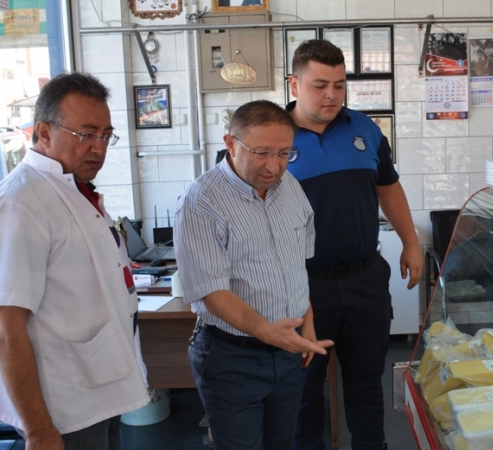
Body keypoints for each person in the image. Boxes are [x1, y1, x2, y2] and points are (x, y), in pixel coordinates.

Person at [0, 72, 149, 449]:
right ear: (44, 132)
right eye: (86, 134)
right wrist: (38, 430)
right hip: (63, 405)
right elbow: (5, 329)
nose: (99, 148)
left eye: (106, 135)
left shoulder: (71, 189)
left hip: (101, 386)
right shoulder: (19, 204)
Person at [286, 40, 423, 450]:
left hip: (364, 279)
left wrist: (411, 242)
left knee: (366, 382)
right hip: (301, 286)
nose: (331, 95)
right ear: (294, 84)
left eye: (340, 85)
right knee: (303, 387)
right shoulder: (273, 135)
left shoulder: (365, 129)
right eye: (319, 85)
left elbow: (388, 188)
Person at [174, 100, 333, 450]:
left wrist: (307, 322)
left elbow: (295, 266)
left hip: (287, 350)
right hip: (233, 357)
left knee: (282, 443)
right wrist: (268, 332)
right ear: (231, 144)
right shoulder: (201, 201)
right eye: (261, 153)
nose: (273, 166)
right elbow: (212, 292)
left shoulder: (290, 187)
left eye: (284, 153)